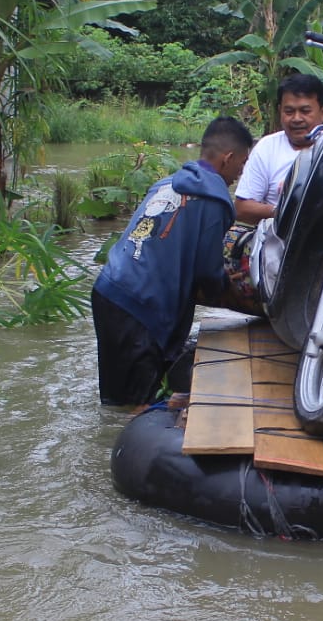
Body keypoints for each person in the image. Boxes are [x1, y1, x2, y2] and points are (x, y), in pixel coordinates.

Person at [91, 116, 254, 406]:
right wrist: (223, 282)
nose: (238, 176)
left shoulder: (164, 184)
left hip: (108, 289)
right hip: (140, 306)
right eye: (241, 166)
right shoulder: (215, 200)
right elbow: (207, 271)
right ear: (228, 159)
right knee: (137, 403)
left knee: (115, 398)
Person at [234, 74, 323, 224]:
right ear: (280, 111)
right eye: (289, 111)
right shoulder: (267, 148)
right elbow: (241, 208)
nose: (297, 118)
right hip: (278, 241)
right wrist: (285, 211)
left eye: (305, 111)